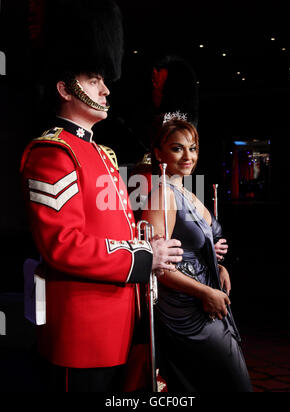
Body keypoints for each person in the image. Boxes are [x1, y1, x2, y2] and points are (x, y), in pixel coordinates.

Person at [21, 0, 183, 392]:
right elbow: (63, 245)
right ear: (65, 89)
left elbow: (112, 225)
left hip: (119, 321)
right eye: (94, 81)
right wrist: (144, 257)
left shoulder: (99, 152)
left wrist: (146, 241)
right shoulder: (53, 152)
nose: (106, 89)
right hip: (83, 330)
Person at [142, 112, 253, 392]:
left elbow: (199, 245)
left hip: (206, 298)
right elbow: (159, 267)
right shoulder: (161, 194)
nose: (187, 156)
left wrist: (220, 268)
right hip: (185, 307)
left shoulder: (188, 192)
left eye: (192, 148)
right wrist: (204, 292)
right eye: (177, 148)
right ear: (158, 152)